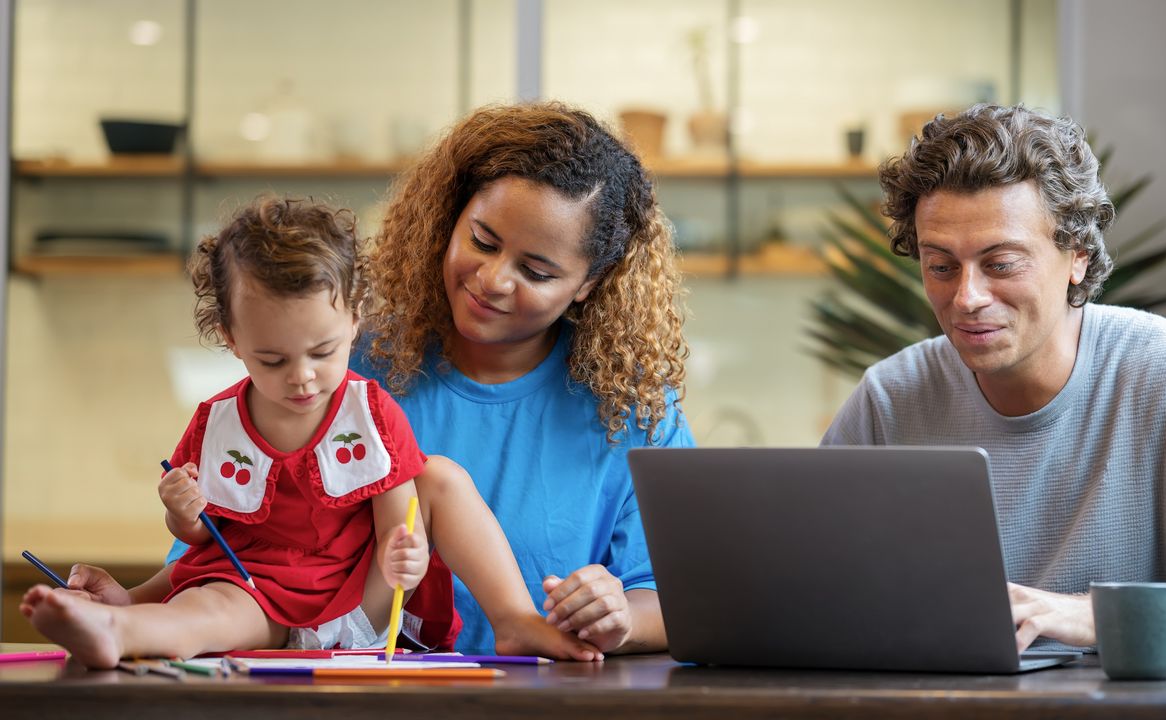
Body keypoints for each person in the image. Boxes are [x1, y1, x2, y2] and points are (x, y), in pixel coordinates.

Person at [21, 196, 600, 667]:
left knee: (440, 476)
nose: (301, 378)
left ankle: (516, 621)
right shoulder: (216, 423)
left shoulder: (371, 413)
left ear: (355, 318)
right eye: (272, 360)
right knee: (209, 611)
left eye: (322, 352)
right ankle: (116, 627)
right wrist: (182, 514)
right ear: (230, 337)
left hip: (356, 600)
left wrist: (406, 557)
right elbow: (199, 544)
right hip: (253, 594)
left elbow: (397, 524)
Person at [821, 103, 1166, 664]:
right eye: (941, 267)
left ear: (1077, 257)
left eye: (1002, 264)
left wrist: (1089, 616)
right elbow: (807, 589)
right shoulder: (890, 397)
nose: (967, 297)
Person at [352, 101, 693, 654]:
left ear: (589, 282)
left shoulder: (629, 407)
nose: (492, 280)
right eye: (483, 241)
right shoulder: (346, 369)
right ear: (450, 217)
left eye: (536, 272)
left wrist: (618, 617)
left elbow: (684, 596)